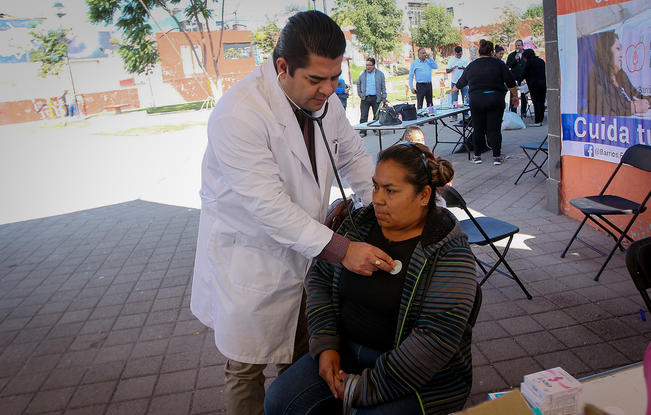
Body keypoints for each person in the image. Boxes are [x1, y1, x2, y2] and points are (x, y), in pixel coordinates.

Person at [191, 11, 396, 415]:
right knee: (245, 367)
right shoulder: (240, 113)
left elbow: (354, 158)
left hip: (307, 252)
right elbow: (267, 205)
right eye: (317, 80)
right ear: (282, 67)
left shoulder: (324, 102)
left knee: (303, 351)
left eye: (335, 77)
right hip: (250, 259)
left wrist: (383, 203)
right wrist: (342, 249)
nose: (328, 89)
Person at [265, 143, 477, 415]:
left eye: (390, 191)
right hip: (346, 351)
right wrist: (326, 343)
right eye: (375, 186)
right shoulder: (359, 227)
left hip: (424, 377)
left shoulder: (448, 253)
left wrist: (362, 389)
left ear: (424, 195)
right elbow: (319, 279)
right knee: (279, 401)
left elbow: (434, 340)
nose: (377, 198)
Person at [448, 39, 519, 165]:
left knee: (478, 128)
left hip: (476, 100)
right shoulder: (499, 64)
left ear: (480, 52)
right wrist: (515, 97)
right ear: (492, 52)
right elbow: (511, 82)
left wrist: (452, 90)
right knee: (495, 129)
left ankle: (477, 156)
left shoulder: (472, 65)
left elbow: (460, 82)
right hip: (495, 99)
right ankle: (496, 157)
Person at [586, 31, 650, 117]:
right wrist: (633, 107)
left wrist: (646, 102)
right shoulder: (596, 75)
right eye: (618, 49)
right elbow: (603, 110)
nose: (621, 55)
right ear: (607, 51)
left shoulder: (621, 74)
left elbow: (637, 96)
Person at [357, 57, 387, 137]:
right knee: (363, 116)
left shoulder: (380, 74)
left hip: (376, 98)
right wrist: (360, 93)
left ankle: (376, 130)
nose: (368, 67)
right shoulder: (362, 74)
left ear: (374, 65)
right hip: (365, 98)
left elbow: (383, 87)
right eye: (366, 65)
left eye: (370, 65)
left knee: (376, 116)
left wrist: (384, 97)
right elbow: (358, 84)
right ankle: (363, 131)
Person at [521, 49, 547, 126]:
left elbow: (524, 74)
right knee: (541, 102)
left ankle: (537, 121)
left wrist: (518, 81)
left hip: (534, 85)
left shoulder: (529, 63)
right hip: (543, 84)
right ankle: (541, 119)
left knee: (536, 103)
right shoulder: (541, 61)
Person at [506, 39, 527, 116]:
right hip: (514, 77)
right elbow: (508, 65)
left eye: (519, 45)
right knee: (513, 94)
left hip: (524, 77)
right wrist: (515, 59)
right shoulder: (511, 55)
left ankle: (523, 111)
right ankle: (513, 111)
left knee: (524, 94)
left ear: (522, 46)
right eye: (516, 46)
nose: (517, 47)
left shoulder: (526, 54)